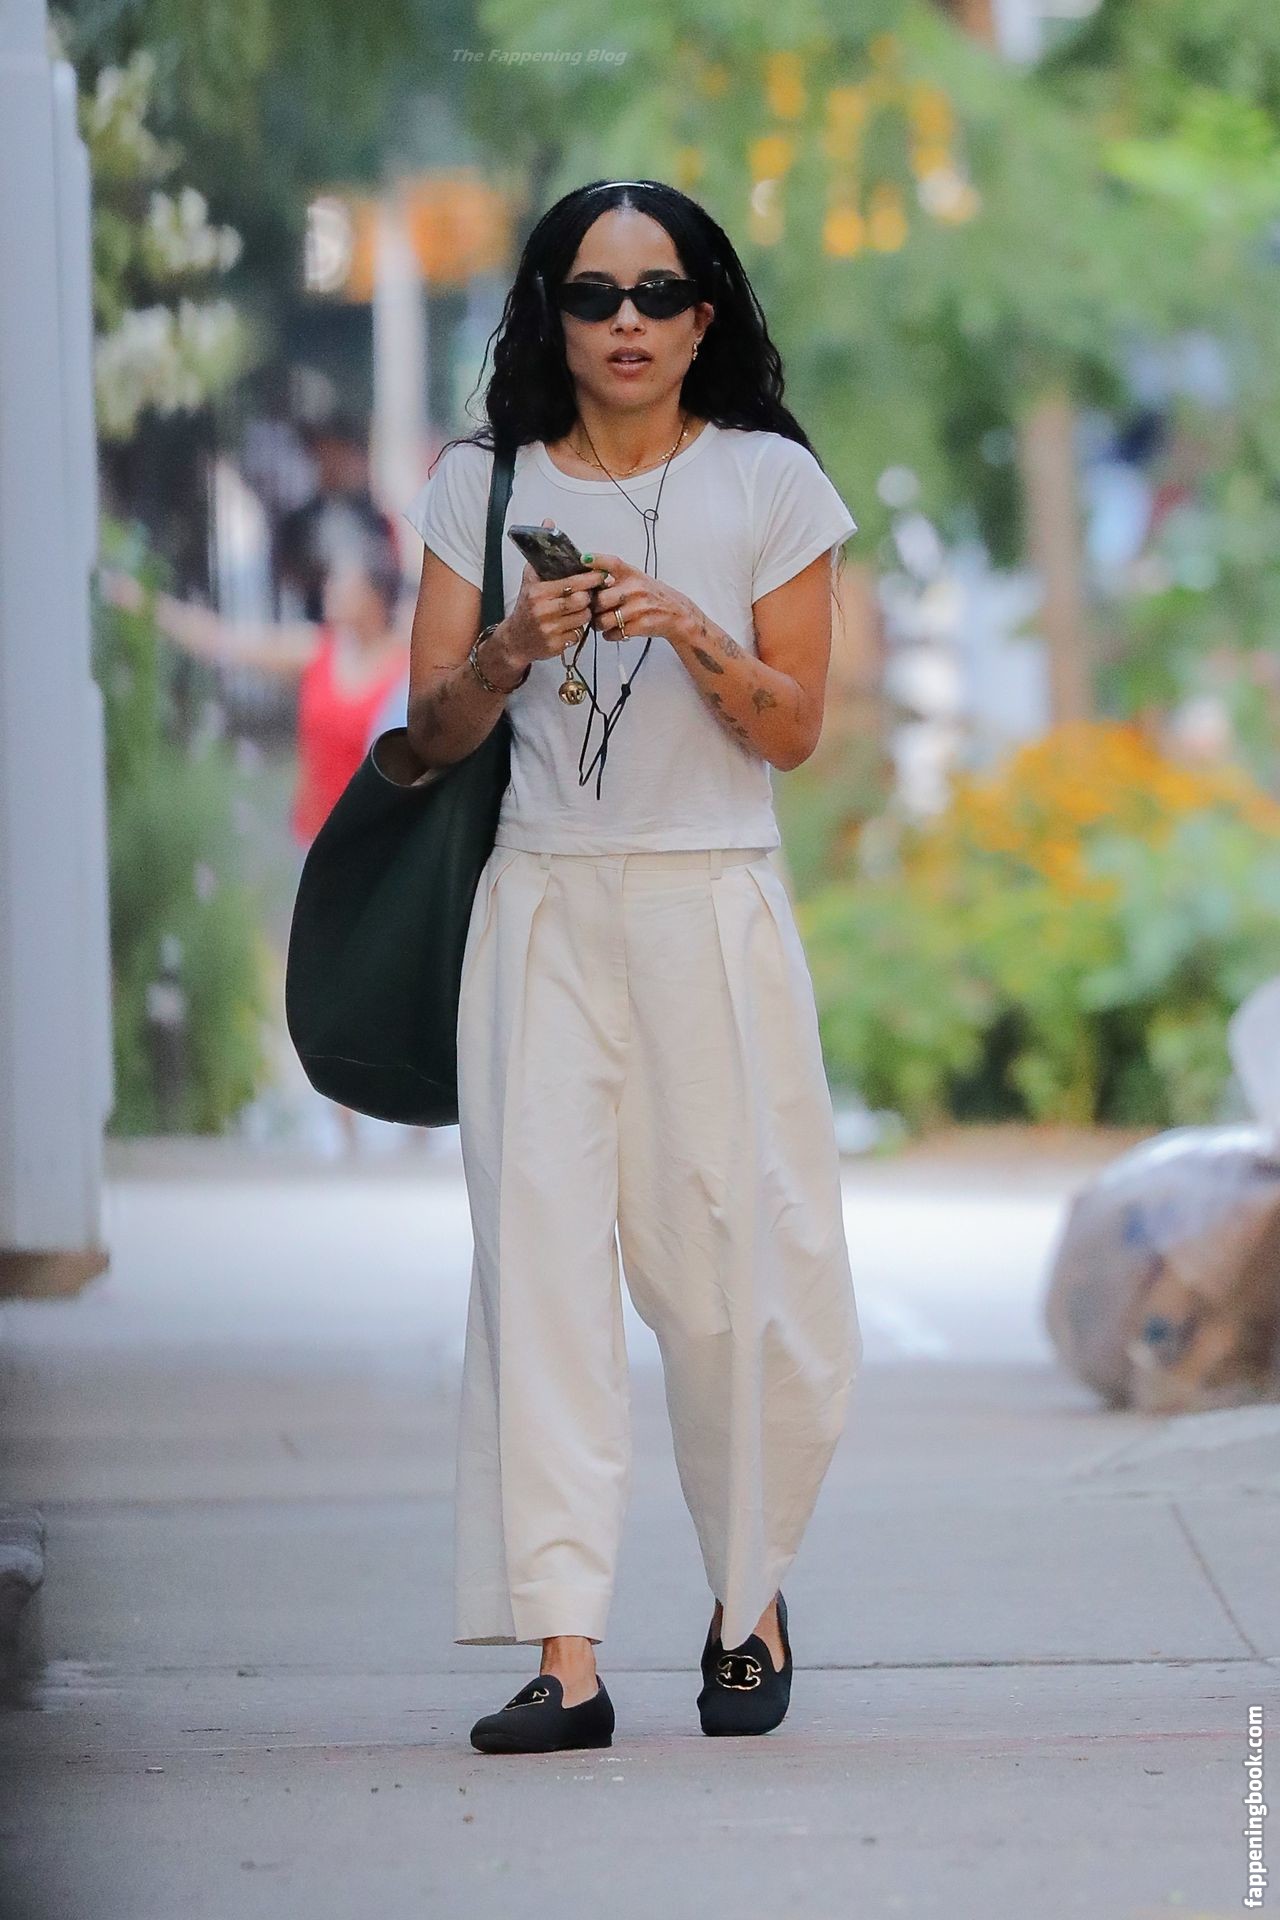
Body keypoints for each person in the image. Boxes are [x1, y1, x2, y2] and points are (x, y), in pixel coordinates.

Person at [401, 177, 863, 1754]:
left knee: (738, 1281)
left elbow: (793, 731)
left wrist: (688, 629)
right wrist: (512, 647)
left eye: (658, 294)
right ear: (550, 315)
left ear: (704, 314)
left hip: (710, 903)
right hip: (542, 904)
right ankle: (568, 1654)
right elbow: (425, 736)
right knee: (538, 1274)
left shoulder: (770, 484)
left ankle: (750, 1601)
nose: (626, 323)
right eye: (593, 296)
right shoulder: (480, 485)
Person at [100, 515, 410, 1155]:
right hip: (319, 847)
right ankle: (348, 1126)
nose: (331, 589)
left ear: (376, 597)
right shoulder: (317, 651)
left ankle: (408, 1107)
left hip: (386, 849)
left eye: (345, 582)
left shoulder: (408, 661)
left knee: (391, 976)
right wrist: (148, 604)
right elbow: (226, 641)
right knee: (329, 982)